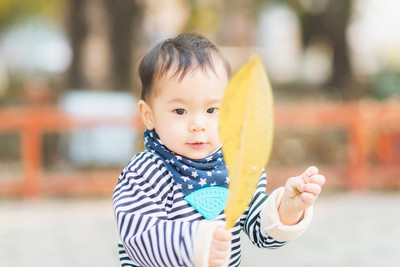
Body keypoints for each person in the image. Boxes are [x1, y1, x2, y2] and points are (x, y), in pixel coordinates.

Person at [112, 33, 325, 267]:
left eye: (212, 110)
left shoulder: (238, 166)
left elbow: (259, 230)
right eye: (180, 111)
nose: (198, 124)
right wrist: (198, 246)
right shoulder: (145, 172)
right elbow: (137, 237)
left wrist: (287, 209)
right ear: (149, 115)